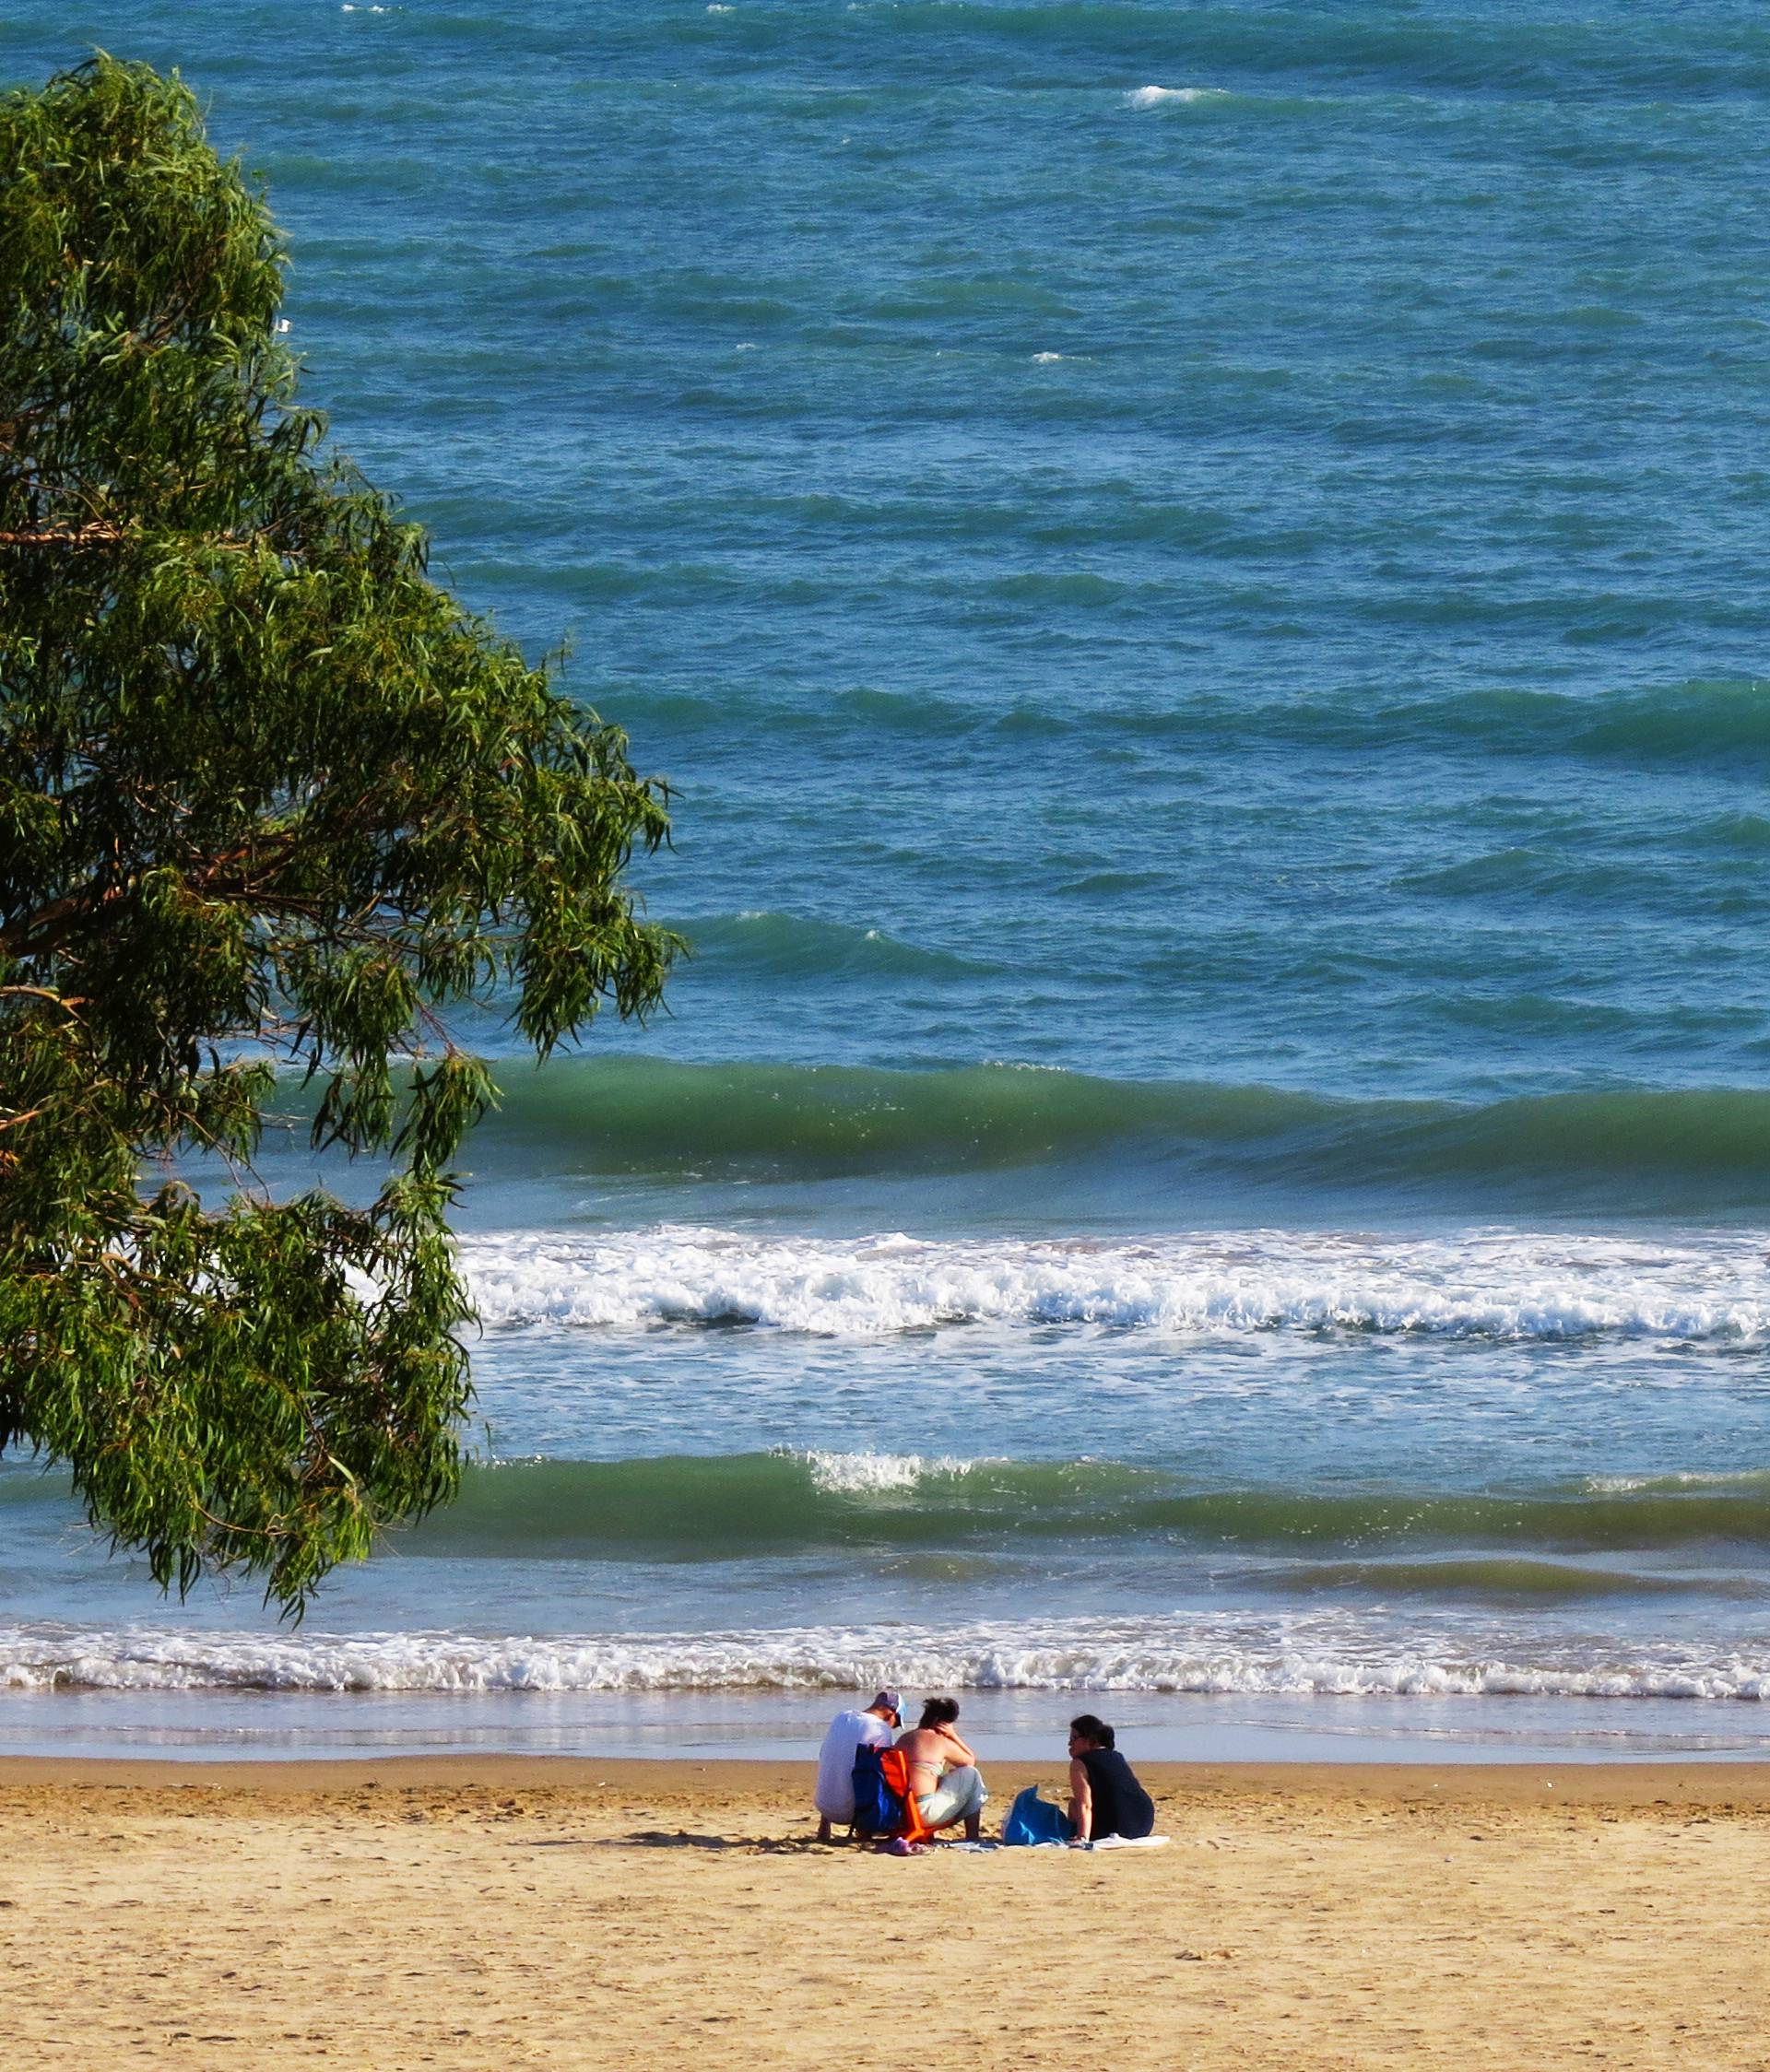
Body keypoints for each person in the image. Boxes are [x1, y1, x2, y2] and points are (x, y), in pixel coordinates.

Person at [814, 1689, 903, 1842]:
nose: (893, 1728)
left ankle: (823, 1827)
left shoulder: (841, 1717)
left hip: (824, 1806)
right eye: (896, 1723)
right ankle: (864, 1830)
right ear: (892, 1714)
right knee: (878, 1772)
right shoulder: (880, 1728)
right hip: (852, 1812)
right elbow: (882, 1771)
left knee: (837, 1759)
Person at [896, 1696, 987, 1840]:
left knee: (935, 1778)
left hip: (900, 1813)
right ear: (945, 1724)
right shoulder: (940, 1742)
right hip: (923, 1814)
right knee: (972, 1774)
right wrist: (953, 1735)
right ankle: (972, 1835)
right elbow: (970, 1761)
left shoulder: (903, 1739)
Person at [1066, 1713, 1155, 1843]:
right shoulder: (1117, 1756)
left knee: (1074, 1805)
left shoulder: (1079, 1763)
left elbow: (1085, 1805)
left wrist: (1082, 1837)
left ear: (1091, 1741)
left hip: (1115, 1826)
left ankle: (1081, 1833)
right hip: (1143, 1822)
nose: (1069, 1743)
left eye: (1074, 1738)